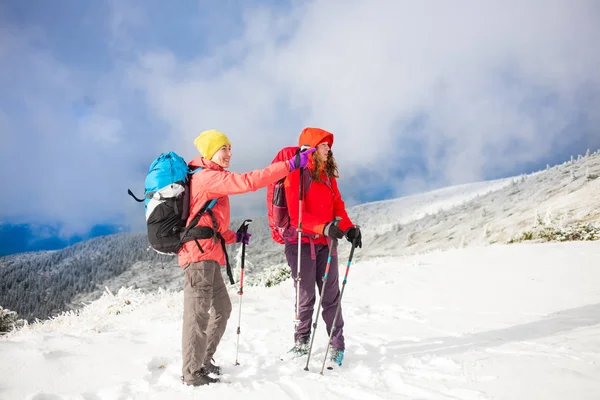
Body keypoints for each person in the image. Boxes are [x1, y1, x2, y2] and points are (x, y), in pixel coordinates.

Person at [179, 129, 315, 386]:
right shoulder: (207, 177)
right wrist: (289, 165)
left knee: (222, 308)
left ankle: (203, 361)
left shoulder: (210, 177)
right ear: (210, 151)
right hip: (198, 256)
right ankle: (191, 372)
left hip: (208, 253)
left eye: (230, 148)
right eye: (224, 149)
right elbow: (249, 181)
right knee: (197, 315)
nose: (229, 154)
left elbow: (209, 225)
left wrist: (234, 237)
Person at [283, 127, 362, 366]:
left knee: (331, 296)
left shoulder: (327, 176)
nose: (329, 149)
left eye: (329, 145)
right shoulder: (295, 175)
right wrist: (324, 227)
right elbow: (297, 215)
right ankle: (301, 341)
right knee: (306, 297)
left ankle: (337, 345)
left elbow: (338, 205)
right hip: (300, 244)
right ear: (311, 148)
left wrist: (348, 228)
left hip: (326, 244)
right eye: (324, 145)